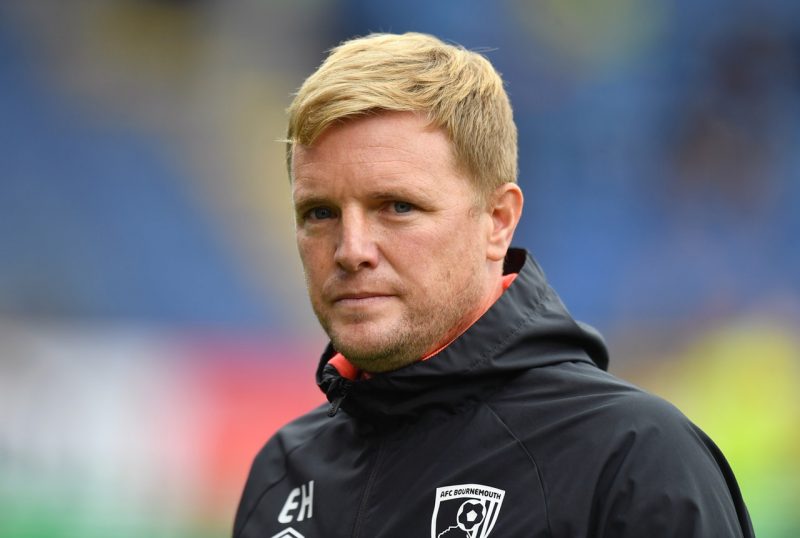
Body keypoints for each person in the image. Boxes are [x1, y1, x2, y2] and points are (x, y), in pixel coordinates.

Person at [233, 32, 754, 538]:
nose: (350, 250)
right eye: (319, 213)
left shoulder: (630, 461)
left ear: (498, 221)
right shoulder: (280, 478)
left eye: (397, 207)